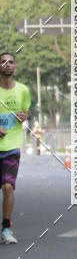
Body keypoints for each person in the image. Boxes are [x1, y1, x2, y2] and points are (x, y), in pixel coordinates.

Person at [0, 52, 31, 245]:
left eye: (11, 62)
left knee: (8, 187)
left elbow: (25, 111)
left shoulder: (23, 90)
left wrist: (23, 115)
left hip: (11, 146)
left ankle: (6, 228)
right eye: (3, 62)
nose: (7, 64)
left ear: (15, 67)